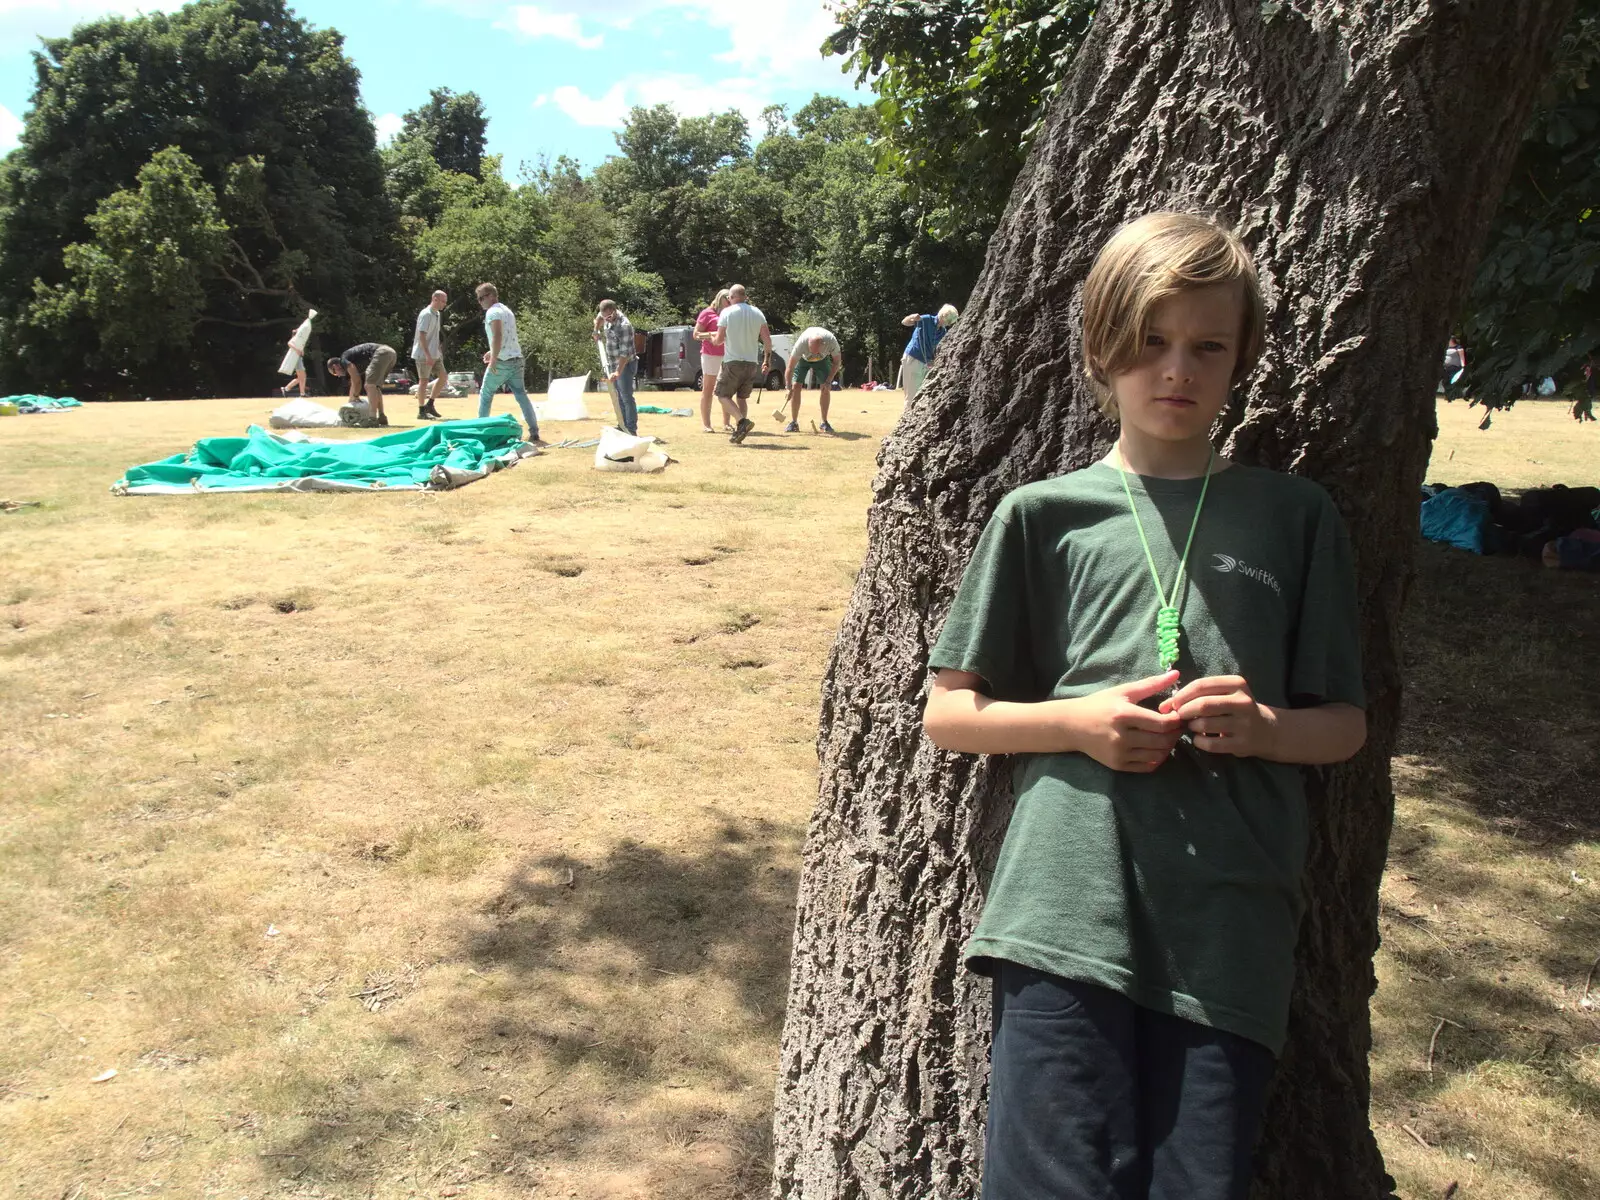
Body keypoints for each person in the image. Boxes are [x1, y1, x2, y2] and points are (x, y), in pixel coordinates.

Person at [921, 211, 1367, 1200]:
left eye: (1208, 346)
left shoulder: (1293, 517)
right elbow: (949, 714)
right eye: (1150, 343)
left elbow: (1343, 726)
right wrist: (1076, 722)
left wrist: (1263, 732)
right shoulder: (1040, 515)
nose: (1178, 370)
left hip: (1229, 927)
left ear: (1243, 354)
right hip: (1064, 914)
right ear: (1101, 350)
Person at [475, 283, 542, 446]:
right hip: (517, 359)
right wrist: (492, 351)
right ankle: (534, 432)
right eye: (478, 299)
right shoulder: (507, 310)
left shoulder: (493, 312)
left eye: (482, 298)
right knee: (521, 395)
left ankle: (479, 432)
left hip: (502, 362)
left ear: (491, 295)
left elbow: (497, 336)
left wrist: (493, 359)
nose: (480, 302)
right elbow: (507, 337)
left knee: (486, 394)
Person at [711, 282, 772, 445]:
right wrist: (767, 360)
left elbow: (718, 340)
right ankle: (741, 430)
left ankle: (741, 422)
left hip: (733, 361)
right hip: (752, 362)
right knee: (742, 397)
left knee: (722, 395)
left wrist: (711, 339)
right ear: (745, 297)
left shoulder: (727, 312)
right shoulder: (758, 313)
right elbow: (767, 340)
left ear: (731, 298)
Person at [784, 326, 842, 433]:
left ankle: (824, 422)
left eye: (817, 352)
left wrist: (829, 380)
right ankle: (794, 422)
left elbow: (837, 362)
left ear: (823, 345)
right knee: (795, 386)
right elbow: (790, 367)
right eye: (812, 351)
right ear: (807, 345)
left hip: (823, 361)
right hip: (804, 360)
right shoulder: (801, 343)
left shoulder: (831, 341)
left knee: (825, 388)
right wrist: (788, 387)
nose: (814, 355)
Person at [593, 299, 638, 435]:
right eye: (605, 317)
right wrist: (596, 330)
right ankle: (622, 424)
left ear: (614, 311)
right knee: (618, 396)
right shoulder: (604, 316)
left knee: (626, 396)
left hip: (625, 364)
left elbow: (625, 353)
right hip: (612, 364)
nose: (607, 319)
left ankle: (631, 429)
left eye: (609, 317)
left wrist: (618, 372)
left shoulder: (624, 325)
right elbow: (599, 318)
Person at [327, 341, 397, 425]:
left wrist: (356, 396)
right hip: (391, 353)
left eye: (334, 373)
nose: (337, 375)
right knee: (375, 387)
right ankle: (382, 417)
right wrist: (350, 401)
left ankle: (372, 419)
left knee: (369, 385)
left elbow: (357, 382)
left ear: (335, 366)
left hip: (381, 352)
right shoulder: (353, 362)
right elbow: (354, 383)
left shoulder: (344, 360)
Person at [694, 289, 734, 433]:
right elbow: (696, 334)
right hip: (710, 354)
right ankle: (707, 424)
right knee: (708, 389)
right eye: (727, 299)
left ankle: (727, 423)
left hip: (728, 354)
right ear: (720, 298)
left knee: (726, 389)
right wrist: (713, 335)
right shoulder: (707, 313)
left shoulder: (730, 313)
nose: (730, 302)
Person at [900, 303, 959, 400]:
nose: (949, 324)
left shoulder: (943, 332)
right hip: (913, 358)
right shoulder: (927, 320)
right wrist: (913, 317)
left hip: (927, 363)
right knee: (912, 395)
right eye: (949, 321)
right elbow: (904, 322)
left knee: (923, 394)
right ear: (943, 315)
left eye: (950, 322)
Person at [412, 290, 448, 421]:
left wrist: (438, 350)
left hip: (435, 353)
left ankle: (430, 404)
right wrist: (427, 355)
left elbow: (435, 334)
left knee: (443, 377)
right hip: (423, 354)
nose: (445, 304)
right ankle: (421, 411)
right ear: (435, 299)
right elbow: (422, 335)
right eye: (443, 301)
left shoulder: (437, 314)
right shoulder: (426, 314)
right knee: (423, 381)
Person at [278, 308, 317, 397]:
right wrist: (298, 351)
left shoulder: (298, 341)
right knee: (302, 376)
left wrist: (301, 351)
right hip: (296, 357)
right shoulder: (294, 340)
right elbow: (289, 343)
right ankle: (300, 393)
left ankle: (287, 389)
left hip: (298, 357)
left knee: (301, 377)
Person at [1442, 335, 1466, 402]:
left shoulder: (1459, 348)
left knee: (1452, 381)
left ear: (1452, 340)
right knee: (1445, 381)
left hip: (1455, 367)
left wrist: (1463, 367)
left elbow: (1462, 358)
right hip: (1446, 368)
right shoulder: (1446, 348)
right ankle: (1447, 394)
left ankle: (1453, 395)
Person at [1577, 354, 1597, 423]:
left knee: (1588, 399)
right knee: (1585, 400)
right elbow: (1585, 375)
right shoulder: (1585, 366)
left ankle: (1587, 414)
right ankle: (1586, 414)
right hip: (1586, 384)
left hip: (1589, 383)